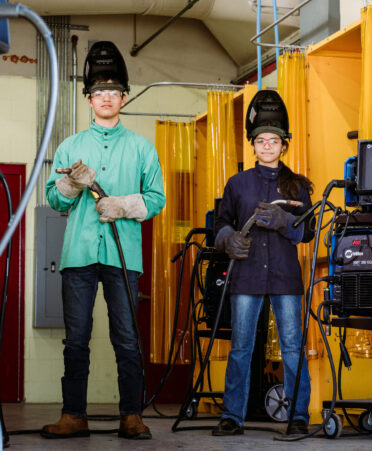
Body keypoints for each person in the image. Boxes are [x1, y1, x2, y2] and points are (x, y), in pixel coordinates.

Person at [41, 42, 165, 440]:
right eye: (98, 92)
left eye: (113, 91)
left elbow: (157, 198)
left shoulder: (143, 148)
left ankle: (132, 415)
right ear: (89, 98)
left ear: (123, 97)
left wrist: (124, 204)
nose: (106, 97)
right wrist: (70, 183)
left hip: (123, 256)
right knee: (75, 340)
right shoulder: (71, 146)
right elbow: (54, 198)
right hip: (78, 255)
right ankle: (73, 415)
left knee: (127, 339)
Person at [212, 90, 314, 437]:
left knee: (292, 348)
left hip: (285, 279)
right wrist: (228, 239)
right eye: (260, 140)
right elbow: (219, 223)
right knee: (241, 347)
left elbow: (309, 232)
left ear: (284, 144)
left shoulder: (298, 187)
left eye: (273, 140)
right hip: (246, 276)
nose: (267, 145)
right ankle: (232, 417)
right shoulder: (237, 185)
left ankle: (298, 416)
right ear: (252, 145)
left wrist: (285, 222)